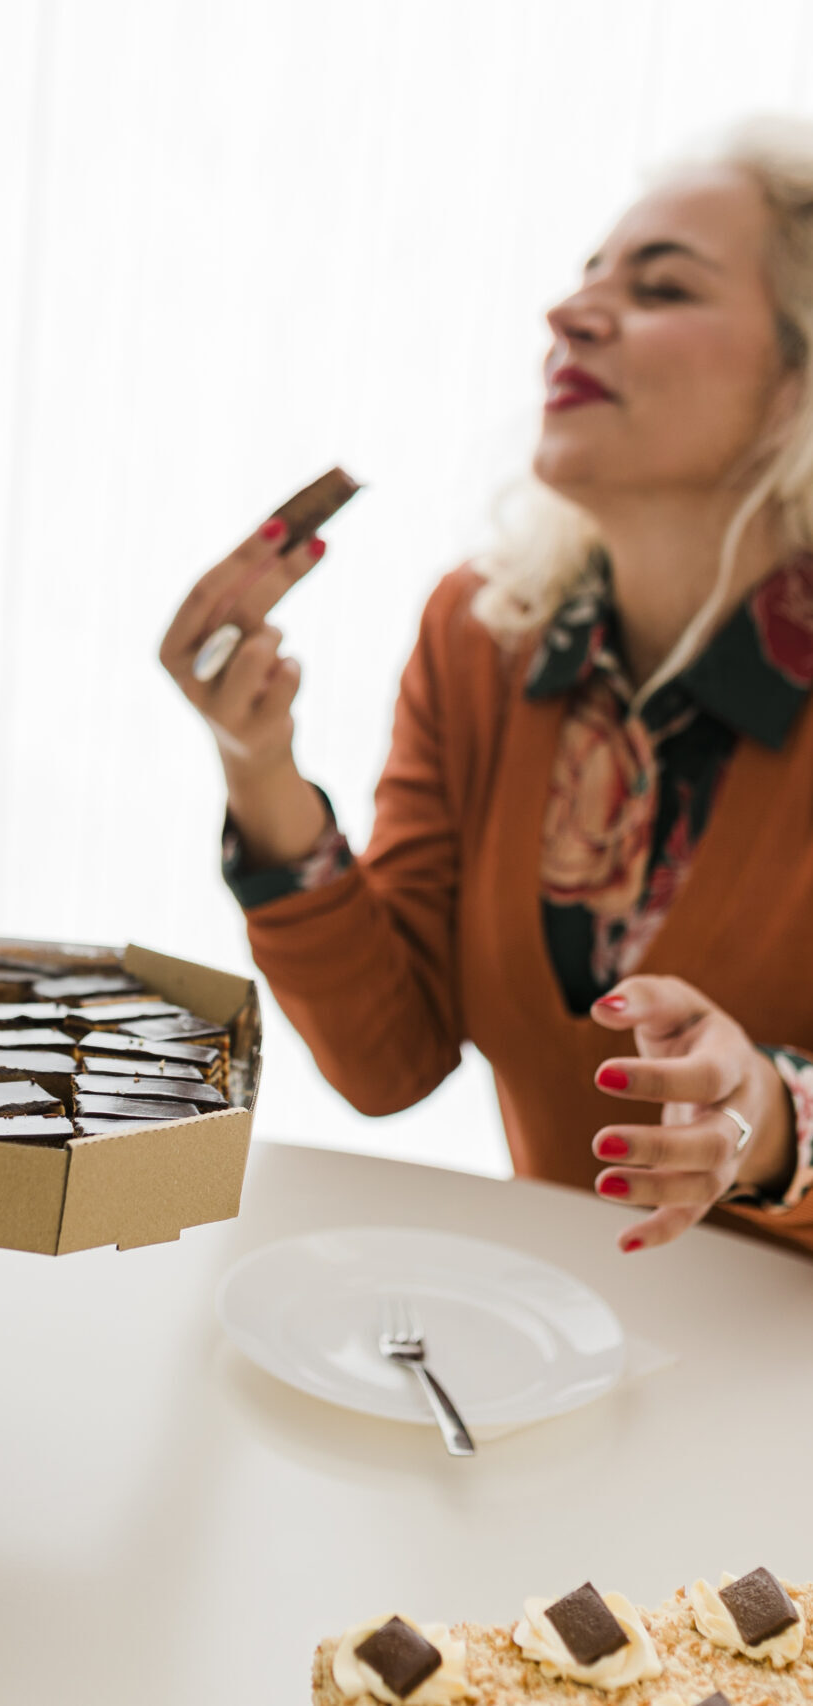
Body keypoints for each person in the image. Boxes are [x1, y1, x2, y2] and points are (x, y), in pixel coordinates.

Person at [164, 118, 813, 1260]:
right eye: (581, 281)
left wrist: (768, 1123)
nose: (566, 315)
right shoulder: (480, 638)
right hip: (561, 1347)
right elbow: (388, 1057)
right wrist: (258, 768)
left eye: (659, 287)